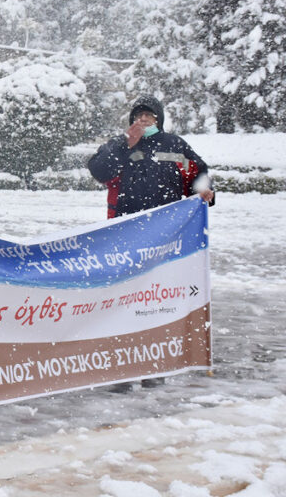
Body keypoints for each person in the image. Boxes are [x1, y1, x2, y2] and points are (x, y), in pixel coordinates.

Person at [87, 94, 214, 392]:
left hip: (164, 242)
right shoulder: (121, 145)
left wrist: (204, 190)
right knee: (123, 301)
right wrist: (123, 143)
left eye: (149, 117)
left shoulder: (175, 145)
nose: (143, 121)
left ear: (159, 120)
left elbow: (198, 174)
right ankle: (121, 367)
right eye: (139, 116)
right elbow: (98, 171)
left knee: (156, 302)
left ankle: (153, 365)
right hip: (124, 237)